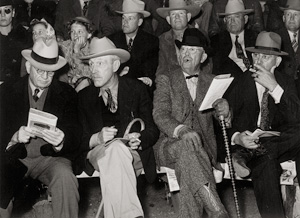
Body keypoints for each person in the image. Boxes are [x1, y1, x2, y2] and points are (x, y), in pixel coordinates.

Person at [74, 37, 159, 218]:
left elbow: (152, 129)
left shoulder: (136, 89)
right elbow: (76, 139)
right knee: (114, 150)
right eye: (91, 64)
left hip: (132, 154)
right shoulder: (84, 97)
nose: (94, 70)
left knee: (117, 152)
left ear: (114, 66)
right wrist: (97, 137)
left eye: (100, 64)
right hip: (98, 153)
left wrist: (140, 138)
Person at [0, 38, 81, 218]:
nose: (45, 77)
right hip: (15, 156)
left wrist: (62, 141)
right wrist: (13, 137)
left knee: (65, 178)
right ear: (28, 67)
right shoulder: (6, 91)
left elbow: (76, 132)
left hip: (49, 159)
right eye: (40, 71)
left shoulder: (67, 93)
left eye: (50, 73)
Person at [153, 28, 229, 218]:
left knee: (189, 169)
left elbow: (223, 123)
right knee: (186, 148)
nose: (186, 53)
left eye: (192, 50)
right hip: (169, 145)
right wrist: (181, 130)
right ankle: (217, 210)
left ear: (203, 57)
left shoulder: (212, 82)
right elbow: (160, 113)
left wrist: (226, 111)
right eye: (183, 49)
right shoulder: (166, 79)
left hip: (203, 151)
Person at [224, 31, 300, 218]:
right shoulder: (241, 82)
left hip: (281, 143)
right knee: (266, 164)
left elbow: (296, 118)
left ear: (278, 62)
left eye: (266, 57)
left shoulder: (287, 83)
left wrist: (275, 89)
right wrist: (237, 137)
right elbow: (222, 120)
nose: (258, 61)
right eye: (256, 55)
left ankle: (248, 155)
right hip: (251, 142)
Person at [108, 0, 159, 97]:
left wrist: (126, 73)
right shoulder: (112, 40)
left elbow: (148, 71)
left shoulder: (151, 42)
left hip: (140, 93)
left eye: (130, 18)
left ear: (139, 22)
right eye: (123, 18)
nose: (125, 22)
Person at [155, 0, 203, 76]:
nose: (177, 17)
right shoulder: (162, 40)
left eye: (181, 13)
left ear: (188, 17)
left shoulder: (200, 36)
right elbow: (161, 70)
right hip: (170, 83)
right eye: (173, 14)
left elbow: (207, 67)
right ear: (168, 20)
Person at [211, 0, 258, 78]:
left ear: (245, 19)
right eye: (229, 18)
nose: (232, 21)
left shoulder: (255, 37)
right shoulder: (217, 40)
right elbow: (217, 68)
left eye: (237, 17)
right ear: (225, 20)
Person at [58, 16, 95, 92]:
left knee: (86, 81)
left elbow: (88, 75)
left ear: (89, 35)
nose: (75, 35)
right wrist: (70, 79)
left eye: (80, 32)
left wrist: (77, 51)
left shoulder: (93, 50)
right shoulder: (65, 46)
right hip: (66, 84)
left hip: (85, 89)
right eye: (72, 32)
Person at [0, 0, 29, 82]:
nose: (3, 15)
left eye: (7, 10)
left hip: (18, 88)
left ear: (13, 12)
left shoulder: (24, 35)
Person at [274, 0, 300, 98]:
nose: (292, 18)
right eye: (288, 14)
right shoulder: (275, 37)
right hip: (283, 90)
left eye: (296, 15)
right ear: (283, 18)